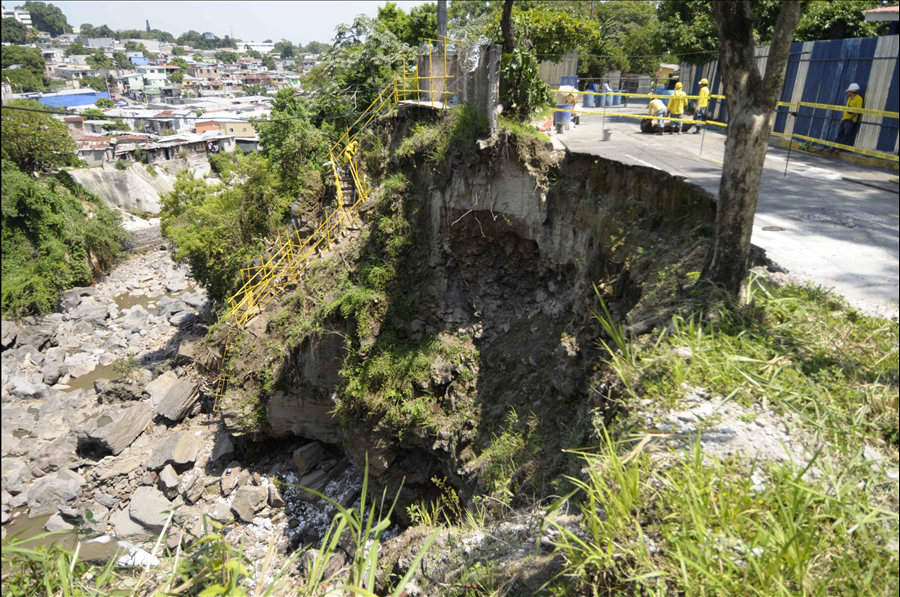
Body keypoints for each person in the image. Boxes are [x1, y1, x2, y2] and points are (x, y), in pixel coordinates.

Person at [836, 83, 864, 148]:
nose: (847, 92)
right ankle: (835, 147)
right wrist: (842, 118)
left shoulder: (859, 99)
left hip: (850, 121)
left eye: (848, 91)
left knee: (846, 135)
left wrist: (851, 118)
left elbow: (858, 110)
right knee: (840, 134)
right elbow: (846, 108)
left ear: (851, 91)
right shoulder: (849, 98)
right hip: (844, 119)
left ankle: (840, 148)